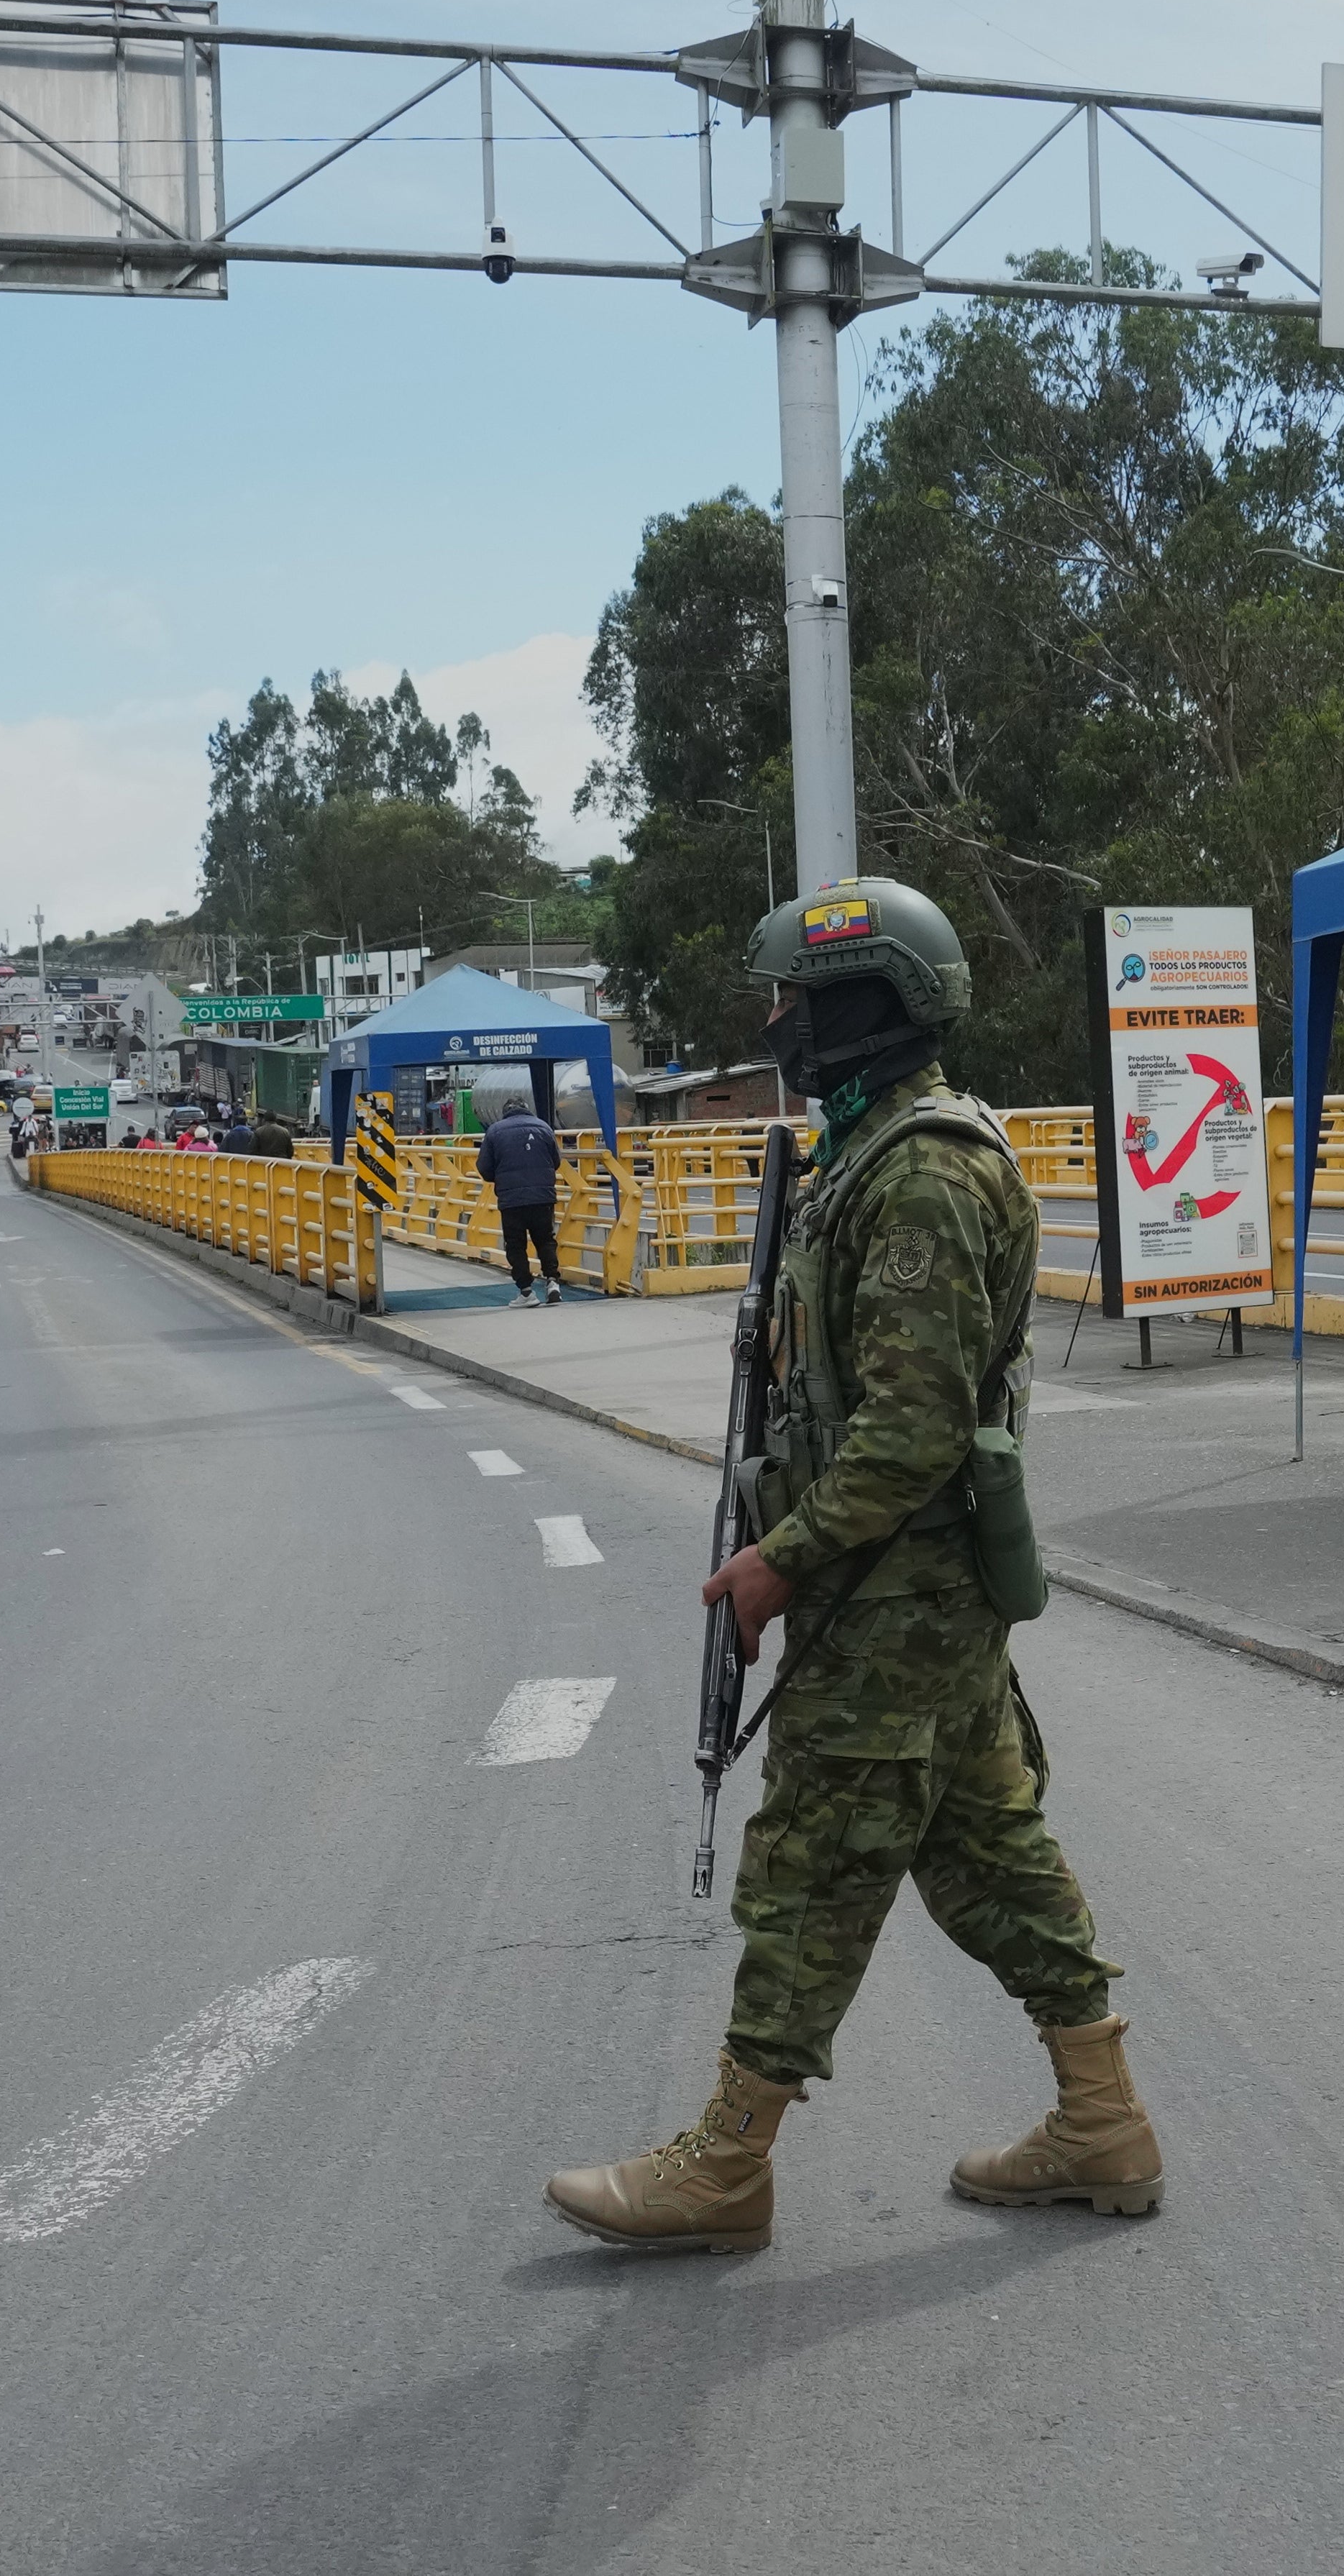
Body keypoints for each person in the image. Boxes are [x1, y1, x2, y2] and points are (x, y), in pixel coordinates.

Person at [547, 877, 1149, 2252]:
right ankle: (1100, 2119)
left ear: (864, 1008)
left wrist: (780, 1561)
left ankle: (724, 2165)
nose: (776, 1023)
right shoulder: (871, 1154)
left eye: (796, 1003)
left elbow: (914, 1425)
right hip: (912, 1594)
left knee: (813, 1871)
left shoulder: (923, 1173)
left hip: (892, 1602)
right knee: (989, 1852)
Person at [476, 1092, 567, 1304]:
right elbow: (556, 1161)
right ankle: (553, 1282)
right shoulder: (544, 1128)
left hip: (512, 1199)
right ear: (527, 1109)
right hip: (543, 1197)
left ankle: (526, 1292)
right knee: (545, 1240)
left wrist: (500, 1179)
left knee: (516, 1245)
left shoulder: (495, 1131)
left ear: (505, 1112)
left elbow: (485, 1168)